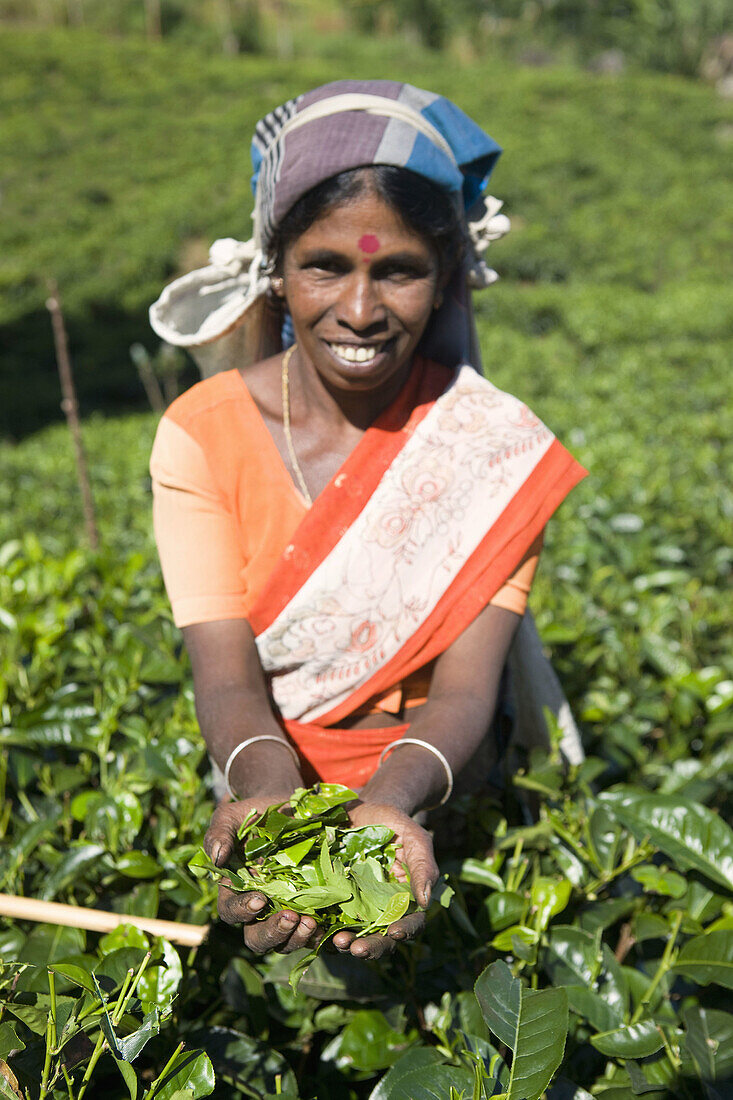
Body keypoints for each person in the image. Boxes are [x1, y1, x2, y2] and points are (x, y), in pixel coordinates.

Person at [149, 80, 586, 962]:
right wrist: (274, 802)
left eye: (398, 269)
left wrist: (392, 806)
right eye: (325, 266)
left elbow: (468, 691)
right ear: (275, 269)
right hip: (261, 770)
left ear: (447, 278)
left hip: (439, 783)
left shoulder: (489, 448)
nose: (358, 310)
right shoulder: (200, 436)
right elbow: (225, 675)